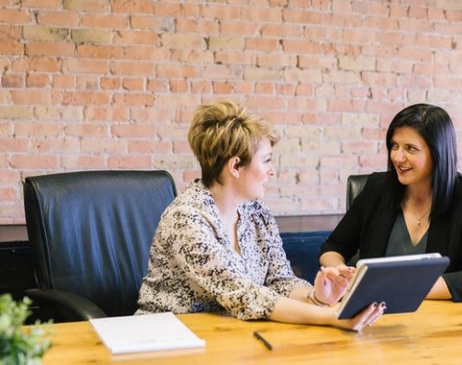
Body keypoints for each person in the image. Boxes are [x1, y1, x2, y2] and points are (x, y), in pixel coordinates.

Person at [136, 100, 384, 331]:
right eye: (266, 161)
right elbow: (244, 295)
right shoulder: (186, 219)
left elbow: (280, 281)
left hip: (231, 334)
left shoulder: (256, 212)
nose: (272, 171)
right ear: (235, 166)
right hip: (166, 337)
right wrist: (331, 316)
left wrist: (317, 297)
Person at [319, 103, 462, 302]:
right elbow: (333, 246)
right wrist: (339, 272)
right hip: (375, 316)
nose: (397, 157)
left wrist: (394, 288)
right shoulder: (377, 189)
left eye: (410, 149)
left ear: (437, 153)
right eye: (394, 146)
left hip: (444, 318)